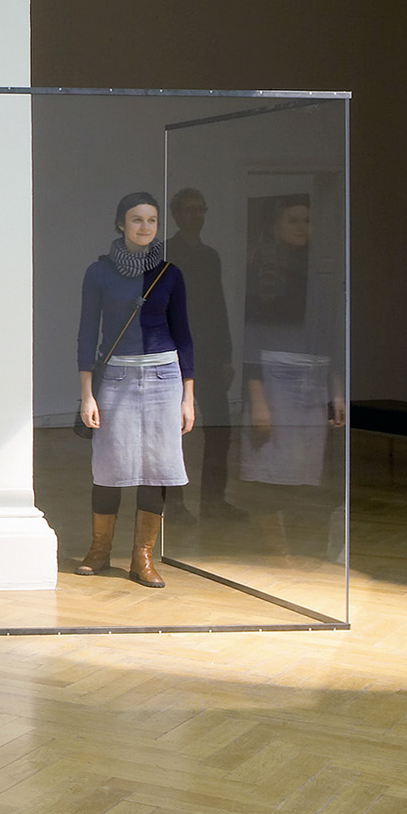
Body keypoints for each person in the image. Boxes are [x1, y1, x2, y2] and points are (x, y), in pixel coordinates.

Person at [75, 192, 196, 588]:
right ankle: (99, 550)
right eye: (137, 219)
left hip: (164, 377)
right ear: (120, 224)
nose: (145, 227)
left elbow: (183, 335)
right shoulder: (99, 272)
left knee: (156, 468)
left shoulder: (170, 273)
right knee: (108, 466)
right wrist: (87, 394)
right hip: (117, 378)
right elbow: (86, 334)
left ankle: (142, 557)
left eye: (152, 220)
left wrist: (188, 396)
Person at [239, 196, 346, 556]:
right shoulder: (263, 272)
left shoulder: (318, 274)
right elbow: (252, 339)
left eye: (306, 220)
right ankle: (279, 557)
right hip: (275, 379)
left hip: (314, 379)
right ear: (276, 226)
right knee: (269, 472)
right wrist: (258, 401)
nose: (301, 227)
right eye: (293, 220)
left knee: (305, 475)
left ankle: (305, 553)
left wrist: (336, 391)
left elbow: (330, 336)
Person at [165, 188, 246, 522]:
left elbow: (217, 305)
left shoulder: (211, 256)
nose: (196, 215)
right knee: (174, 429)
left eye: (201, 209)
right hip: (174, 351)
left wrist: (226, 355)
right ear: (176, 214)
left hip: (210, 353)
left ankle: (213, 501)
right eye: (189, 209)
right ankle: (173, 503)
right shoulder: (166, 253)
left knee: (219, 428)